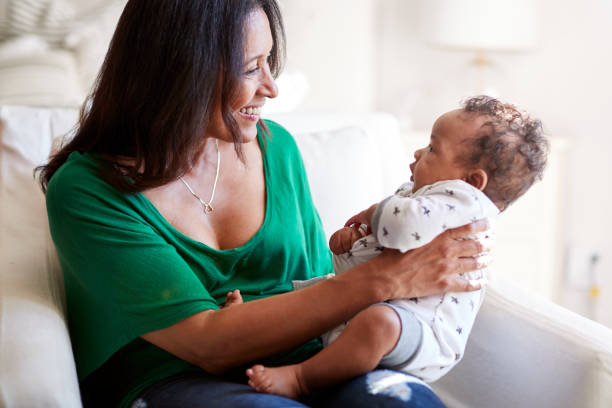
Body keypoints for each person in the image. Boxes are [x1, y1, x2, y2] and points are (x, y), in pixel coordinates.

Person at [38, 1, 492, 407]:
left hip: (307, 366)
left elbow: (320, 284)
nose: (271, 88)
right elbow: (206, 345)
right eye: (251, 67)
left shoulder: (278, 150)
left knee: (401, 403)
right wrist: (386, 278)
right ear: (180, 70)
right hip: (173, 380)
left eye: (269, 62)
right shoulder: (89, 190)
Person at [245, 96, 549, 398]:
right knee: (308, 294)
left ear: (471, 181)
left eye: (432, 149)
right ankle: (249, 321)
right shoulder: (421, 199)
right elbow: (380, 253)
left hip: (423, 332)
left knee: (378, 324)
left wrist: (370, 215)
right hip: (377, 305)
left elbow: (403, 226)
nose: (418, 151)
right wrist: (354, 240)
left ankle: (302, 379)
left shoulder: (465, 204)